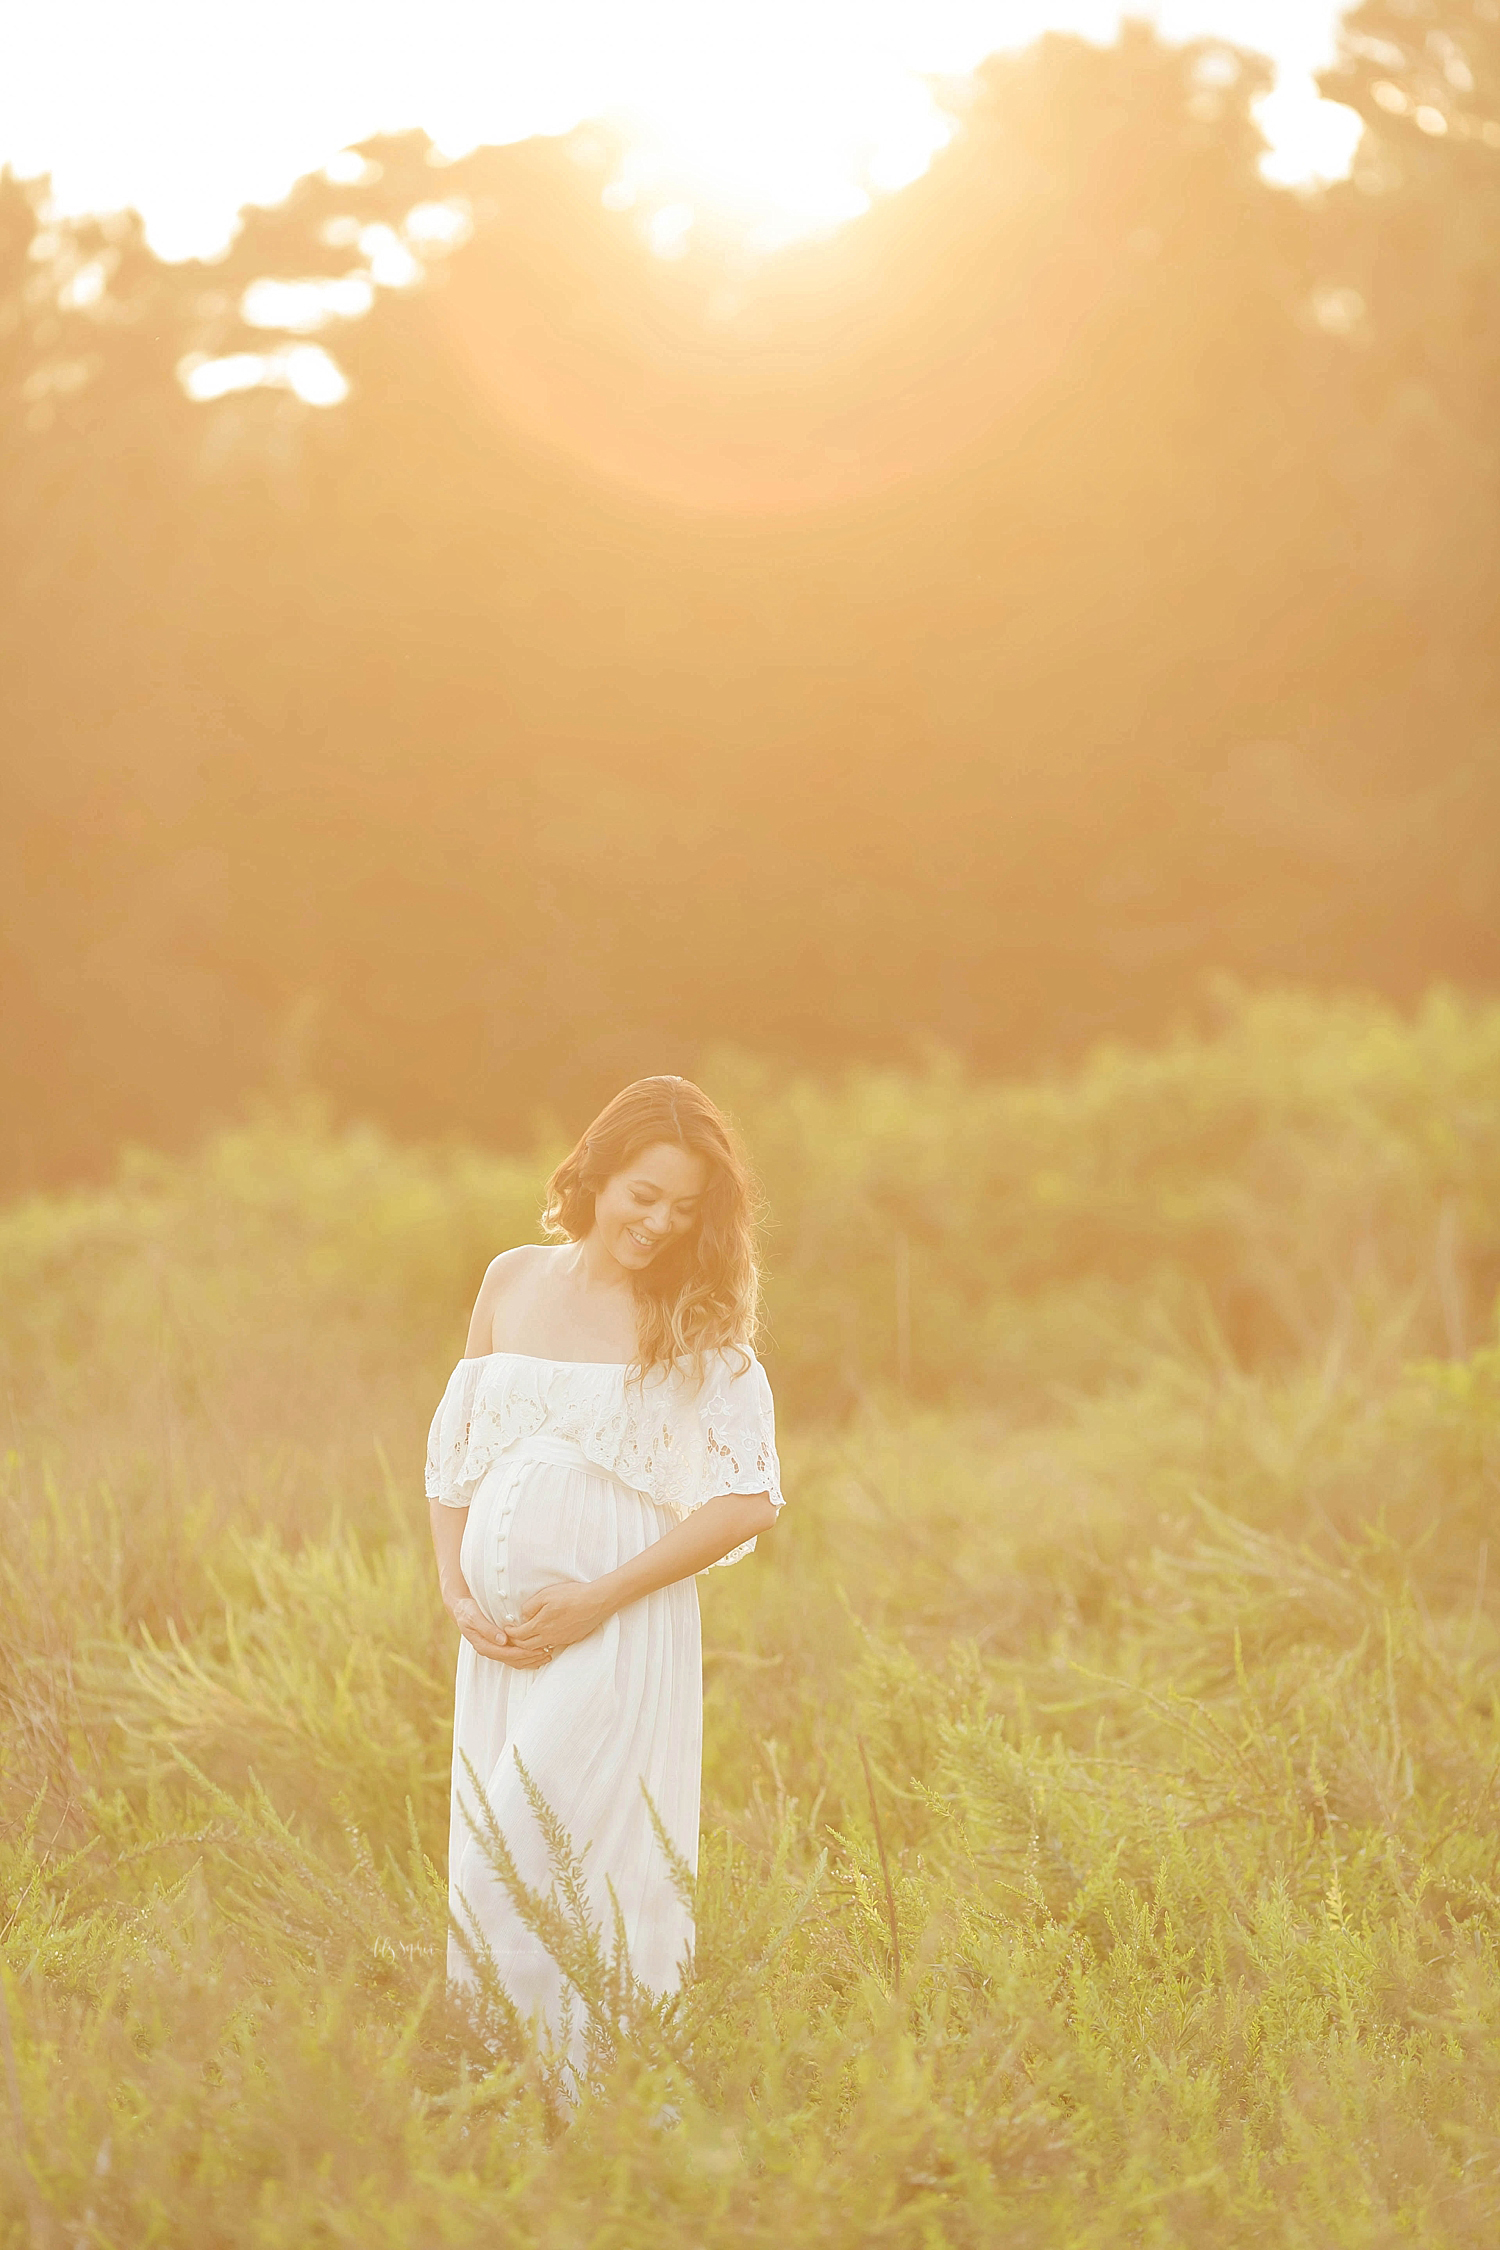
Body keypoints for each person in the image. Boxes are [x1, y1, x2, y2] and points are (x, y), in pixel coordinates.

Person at [425, 1075, 783, 2071]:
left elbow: (748, 1497)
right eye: (645, 1195)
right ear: (596, 1173)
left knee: (534, 1856)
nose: (662, 1223)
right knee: (501, 1859)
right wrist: (456, 1590)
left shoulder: (693, 1317)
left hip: (615, 1626)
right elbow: (455, 1458)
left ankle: (600, 2096)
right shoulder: (510, 1281)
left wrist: (596, 1598)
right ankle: (504, 2105)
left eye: (685, 1209)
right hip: (501, 1645)